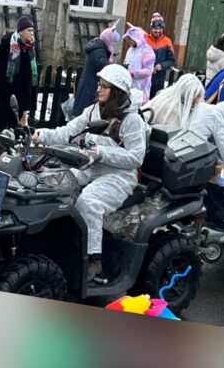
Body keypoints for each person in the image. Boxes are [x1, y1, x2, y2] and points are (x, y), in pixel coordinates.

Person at [32, 64, 147, 282]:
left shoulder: (132, 120)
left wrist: (100, 152)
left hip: (119, 177)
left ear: (117, 91)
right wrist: (41, 135)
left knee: (88, 202)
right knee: (55, 185)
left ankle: (94, 261)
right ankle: (58, 245)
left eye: (104, 86)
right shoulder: (93, 111)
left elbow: (136, 158)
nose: (98, 89)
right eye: (99, 84)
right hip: (90, 168)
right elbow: (68, 132)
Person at [144, 74, 224, 165]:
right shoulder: (171, 109)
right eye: (197, 97)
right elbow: (174, 138)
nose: (199, 101)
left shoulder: (167, 99)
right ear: (189, 95)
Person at [0, 15, 38, 143]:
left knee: (16, 123)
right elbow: (0, 67)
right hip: (7, 90)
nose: (31, 33)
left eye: (33, 30)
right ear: (21, 31)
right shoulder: (8, 44)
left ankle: (13, 147)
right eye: (29, 30)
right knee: (2, 121)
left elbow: (30, 71)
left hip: (22, 91)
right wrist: (5, 87)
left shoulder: (31, 47)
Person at [71, 21, 121, 118]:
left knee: (87, 110)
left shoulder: (99, 48)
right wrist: (111, 64)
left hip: (91, 82)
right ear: (108, 39)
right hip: (90, 84)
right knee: (85, 111)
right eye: (113, 41)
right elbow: (103, 66)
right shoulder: (98, 50)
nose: (113, 44)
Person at [145, 13, 176, 98]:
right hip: (144, 77)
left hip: (159, 79)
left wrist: (162, 66)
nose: (158, 31)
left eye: (160, 29)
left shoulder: (167, 42)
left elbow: (172, 60)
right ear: (151, 28)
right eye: (155, 28)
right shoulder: (144, 39)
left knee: (155, 101)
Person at [123, 23, 156, 102]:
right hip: (130, 85)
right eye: (127, 39)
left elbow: (148, 71)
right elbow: (126, 63)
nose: (128, 41)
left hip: (141, 88)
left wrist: (133, 74)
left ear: (137, 38)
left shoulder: (147, 51)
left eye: (130, 39)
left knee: (139, 106)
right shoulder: (130, 49)